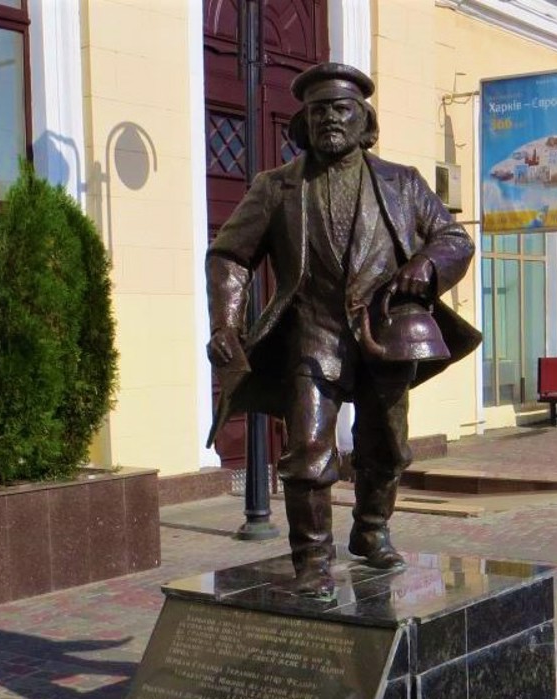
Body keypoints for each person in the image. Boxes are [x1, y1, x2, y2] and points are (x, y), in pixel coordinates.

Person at [205, 62, 478, 595]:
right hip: (313, 334)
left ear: (364, 121)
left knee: (387, 447)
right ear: (304, 122)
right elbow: (230, 256)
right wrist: (226, 321)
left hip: (387, 332)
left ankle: (371, 531)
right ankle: (312, 560)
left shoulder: (402, 183)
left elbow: (454, 239)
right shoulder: (276, 187)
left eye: (342, 109)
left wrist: (426, 267)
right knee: (306, 449)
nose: (330, 119)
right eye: (319, 110)